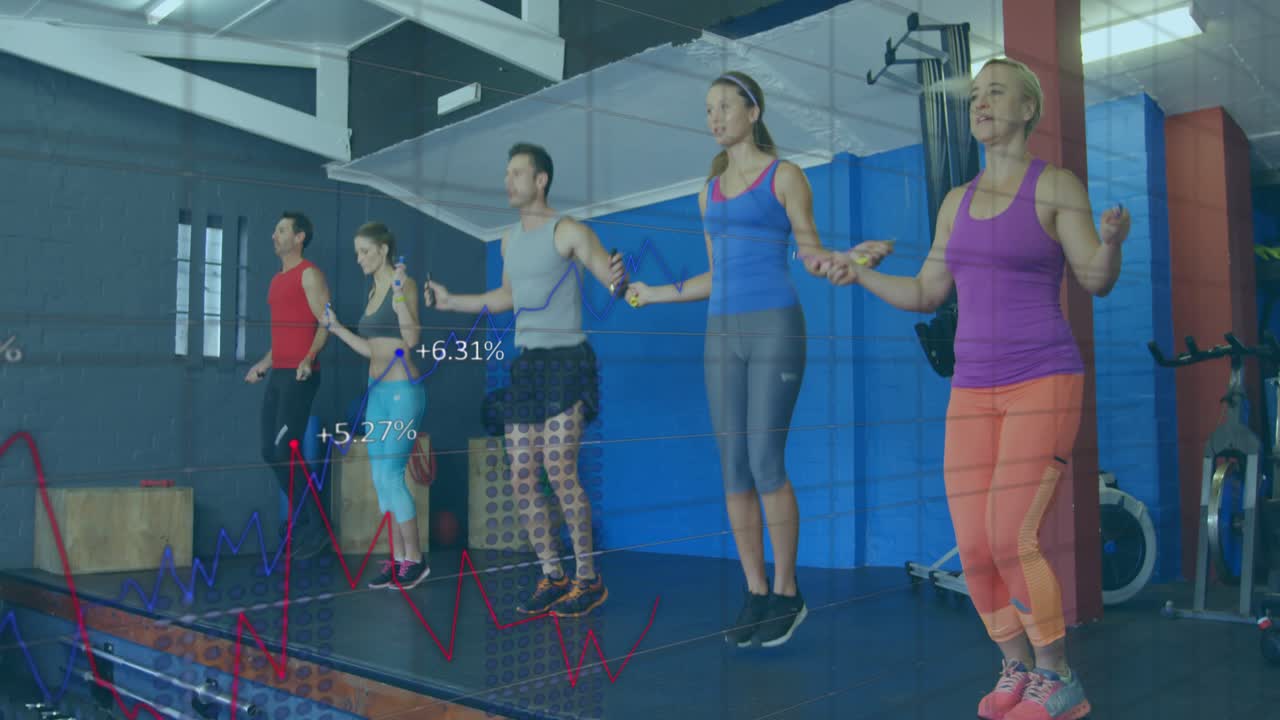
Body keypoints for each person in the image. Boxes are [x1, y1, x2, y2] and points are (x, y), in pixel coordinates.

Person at [821, 57, 1129, 720]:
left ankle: (1059, 676)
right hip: (971, 390)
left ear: (1027, 109)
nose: (981, 103)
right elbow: (926, 292)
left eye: (996, 93)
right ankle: (1016, 664)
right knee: (973, 542)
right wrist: (859, 272)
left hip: (1042, 378)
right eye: (975, 96)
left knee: (1011, 534)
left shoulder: (1056, 187)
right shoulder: (955, 203)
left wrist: (1110, 243)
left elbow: (1095, 279)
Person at [624, 71, 892, 648]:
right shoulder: (708, 193)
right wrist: (655, 293)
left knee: (766, 460)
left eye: (724, 106)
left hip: (774, 326)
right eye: (708, 109)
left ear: (753, 111)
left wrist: (851, 259)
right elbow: (716, 274)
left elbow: (810, 253)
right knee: (733, 467)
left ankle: (788, 592)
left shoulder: (785, 176)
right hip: (721, 333)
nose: (714, 117)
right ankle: (755, 591)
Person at [424, 142, 625, 617]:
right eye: (507, 173)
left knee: (560, 470)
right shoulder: (508, 241)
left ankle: (588, 578)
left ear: (541, 180)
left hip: (567, 361)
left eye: (517, 173)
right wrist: (450, 301)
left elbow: (611, 281)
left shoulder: (568, 230)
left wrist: (619, 277)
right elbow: (505, 297)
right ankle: (553, 574)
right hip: (528, 365)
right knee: (521, 475)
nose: (508, 181)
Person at [323, 222, 430, 590]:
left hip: (402, 392)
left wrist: (398, 296)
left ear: (383, 250)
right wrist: (337, 328)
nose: (359, 259)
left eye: (365, 251)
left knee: (391, 475)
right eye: (357, 253)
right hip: (377, 393)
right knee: (380, 478)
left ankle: (415, 560)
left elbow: (411, 338)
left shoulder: (405, 285)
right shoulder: (371, 292)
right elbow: (371, 349)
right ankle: (398, 560)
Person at [246, 211, 332, 558]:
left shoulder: (309, 274)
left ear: (299, 237)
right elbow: (281, 336)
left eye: (281, 230)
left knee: (285, 452)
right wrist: (263, 364)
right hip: (279, 373)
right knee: (270, 452)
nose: (274, 235)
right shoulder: (276, 281)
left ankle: (317, 528)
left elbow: (326, 323)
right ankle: (310, 523)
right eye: (275, 230)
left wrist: (309, 358)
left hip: (301, 375)